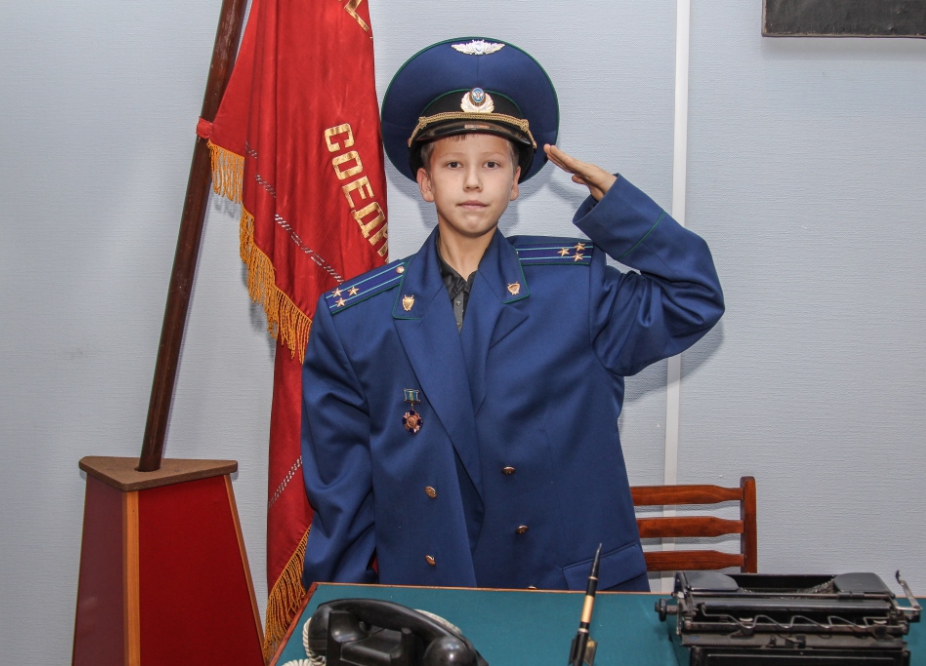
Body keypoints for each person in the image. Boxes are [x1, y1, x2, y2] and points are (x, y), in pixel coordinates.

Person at [299, 38, 724, 593]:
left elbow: (694, 297)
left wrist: (618, 204)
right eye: (453, 164)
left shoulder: (578, 288)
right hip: (435, 601)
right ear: (425, 182)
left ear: (516, 181)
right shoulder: (357, 320)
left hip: (567, 599)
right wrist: (347, 617)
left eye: (493, 164)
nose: (473, 182)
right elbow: (343, 501)